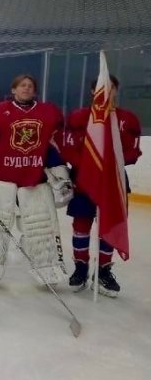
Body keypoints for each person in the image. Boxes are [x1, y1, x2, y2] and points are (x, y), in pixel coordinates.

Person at [0, 74, 71, 286]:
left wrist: (60, 172)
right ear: (13, 90)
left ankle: (48, 270)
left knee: (41, 227)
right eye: (22, 85)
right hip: (0, 177)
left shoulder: (48, 113)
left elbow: (53, 146)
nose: (26, 88)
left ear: (35, 90)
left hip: (34, 177)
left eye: (30, 86)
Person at [63, 75, 142, 297]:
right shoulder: (78, 117)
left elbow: (133, 152)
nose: (107, 91)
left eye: (111, 87)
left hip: (113, 181)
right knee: (81, 226)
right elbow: (68, 148)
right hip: (84, 180)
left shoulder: (128, 119)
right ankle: (81, 268)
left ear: (116, 90)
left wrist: (110, 166)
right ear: (92, 91)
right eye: (101, 88)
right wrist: (89, 167)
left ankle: (103, 271)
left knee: (109, 226)